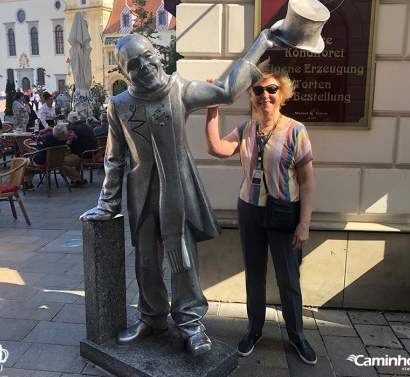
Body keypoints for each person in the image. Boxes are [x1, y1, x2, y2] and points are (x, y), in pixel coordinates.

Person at [80, 31, 277, 356]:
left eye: (148, 56)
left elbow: (226, 91)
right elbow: (114, 159)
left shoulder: (179, 89)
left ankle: (190, 324)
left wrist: (263, 44)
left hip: (178, 196)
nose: (146, 66)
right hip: (141, 198)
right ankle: (152, 318)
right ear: (126, 72)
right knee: (145, 264)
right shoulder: (118, 105)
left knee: (183, 261)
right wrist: (106, 203)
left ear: (157, 54)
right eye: (135, 64)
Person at [204, 60, 316, 364]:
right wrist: (212, 110)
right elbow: (216, 148)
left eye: (271, 89)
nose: (265, 94)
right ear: (251, 96)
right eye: (258, 89)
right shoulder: (246, 130)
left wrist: (304, 224)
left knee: (288, 279)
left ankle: (297, 336)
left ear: (282, 94)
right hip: (249, 210)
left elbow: (307, 182)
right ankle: (254, 330)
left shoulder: (296, 131)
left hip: (284, 213)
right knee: (254, 276)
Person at [24, 123, 68, 191]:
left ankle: (27, 184)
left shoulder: (46, 138)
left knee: (23, 162)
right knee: (30, 166)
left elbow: (33, 135)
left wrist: (45, 129)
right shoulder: (64, 140)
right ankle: (27, 183)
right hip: (56, 162)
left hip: (42, 162)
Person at [62, 111, 98, 188]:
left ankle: (78, 179)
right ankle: (77, 178)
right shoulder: (87, 126)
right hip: (93, 153)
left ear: (70, 121)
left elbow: (67, 143)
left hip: (83, 155)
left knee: (60, 163)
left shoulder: (74, 129)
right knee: (72, 156)